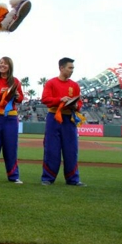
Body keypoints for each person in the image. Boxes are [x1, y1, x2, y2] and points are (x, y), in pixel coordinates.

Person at [41, 57, 85, 186]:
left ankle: (73, 179)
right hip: (54, 117)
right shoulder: (51, 83)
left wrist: (75, 105)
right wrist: (61, 99)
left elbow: (79, 102)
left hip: (69, 119)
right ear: (61, 68)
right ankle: (48, 178)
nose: (72, 70)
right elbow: (45, 99)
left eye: (73, 68)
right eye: (70, 68)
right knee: (51, 149)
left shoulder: (74, 85)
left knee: (71, 150)